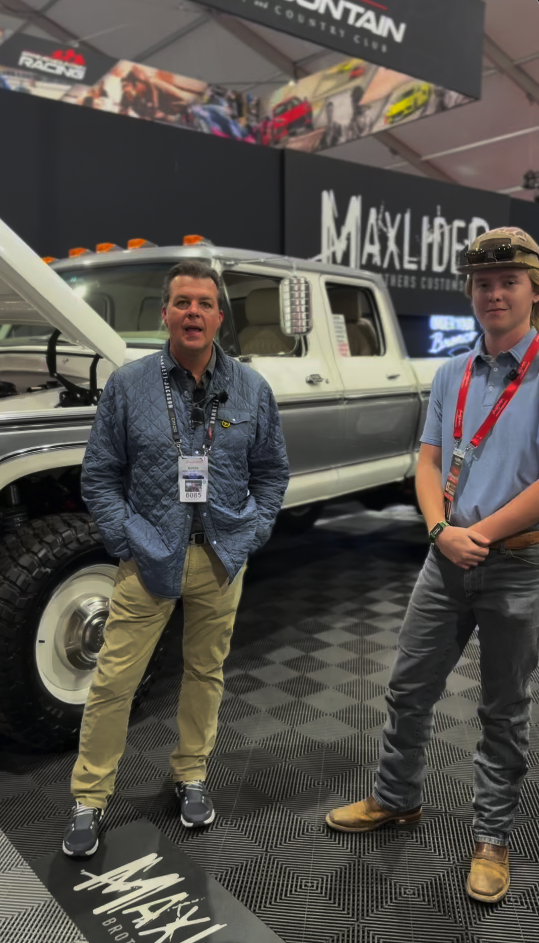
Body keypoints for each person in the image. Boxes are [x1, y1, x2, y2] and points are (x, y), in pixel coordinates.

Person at [326, 227, 539, 904]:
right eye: (482, 283)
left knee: (502, 710)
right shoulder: (451, 372)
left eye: (508, 281)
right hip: (444, 559)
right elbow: (426, 460)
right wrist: (441, 529)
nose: (494, 293)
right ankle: (396, 797)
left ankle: (491, 836)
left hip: (515, 566)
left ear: (532, 289)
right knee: (406, 689)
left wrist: (476, 533)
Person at [63, 260, 289, 857]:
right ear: (164, 313)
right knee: (114, 682)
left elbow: (272, 473)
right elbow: (100, 475)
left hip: (220, 558)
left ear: (219, 316)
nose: (193, 312)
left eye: (204, 304)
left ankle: (191, 774)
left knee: (206, 674)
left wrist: (253, 532)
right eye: (182, 302)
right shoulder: (130, 385)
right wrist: (126, 539)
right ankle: (88, 799)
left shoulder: (250, 388)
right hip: (149, 559)